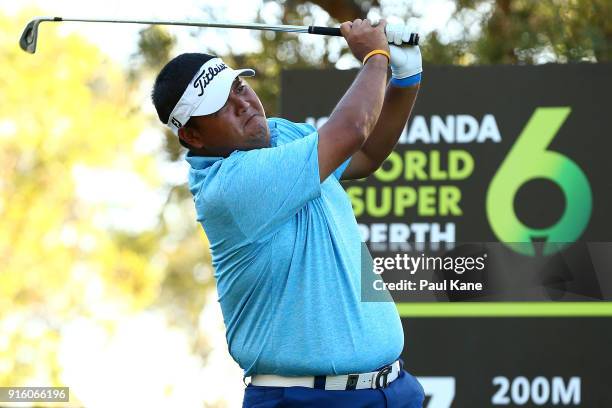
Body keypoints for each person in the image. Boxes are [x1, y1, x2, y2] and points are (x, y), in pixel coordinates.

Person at [152, 18, 424, 407]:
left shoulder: (280, 134)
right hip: (304, 399)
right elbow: (352, 131)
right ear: (193, 137)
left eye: (239, 87)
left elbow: (364, 155)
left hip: (393, 389)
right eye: (222, 105)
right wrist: (375, 55)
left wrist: (406, 75)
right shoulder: (230, 186)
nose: (244, 103)